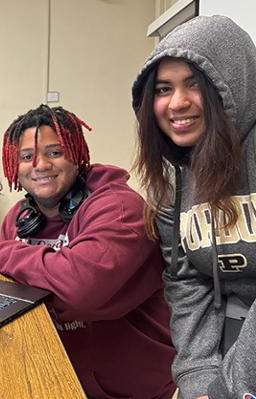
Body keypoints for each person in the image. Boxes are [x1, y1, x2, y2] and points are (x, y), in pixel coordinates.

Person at [0, 105, 175, 398]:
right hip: (53, 376)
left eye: (54, 152)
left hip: (125, 388)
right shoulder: (19, 218)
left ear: (76, 154)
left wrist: (6, 252)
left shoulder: (120, 208)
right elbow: (3, 287)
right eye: (26, 156)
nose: (40, 164)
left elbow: (81, 286)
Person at [131, 15, 256, 399]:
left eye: (195, 85)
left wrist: (229, 389)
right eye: (164, 89)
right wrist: (198, 376)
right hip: (229, 339)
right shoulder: (173, 180)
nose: (177, 103)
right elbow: (186, 281)